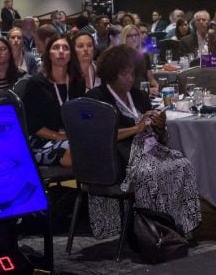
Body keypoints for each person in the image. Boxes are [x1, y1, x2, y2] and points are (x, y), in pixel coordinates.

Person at [85, 45, 202, 237]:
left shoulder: (139, 96)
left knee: (183, 165)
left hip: (149, 151)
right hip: (119, 158)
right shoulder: (97, 99)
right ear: (111, 73)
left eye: (133, 73)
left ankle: (179, 227)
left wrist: (159, 126)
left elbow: (159, 138)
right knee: (153, 172)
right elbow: (99, 137)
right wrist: (136, 128)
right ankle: (149, 231)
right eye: (124, 74)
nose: (130, 78)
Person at [23, 35, 85, 166]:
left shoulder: (77, 81)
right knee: (78, 151)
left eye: (65, 48)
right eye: (56, 48)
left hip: (71, 138)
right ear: (48, 54)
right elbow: (31, 125)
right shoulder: (36, 83)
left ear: (71, 54)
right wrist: (60, 137)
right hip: (40, 140)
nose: (61, 51)